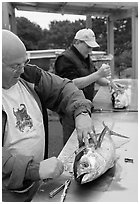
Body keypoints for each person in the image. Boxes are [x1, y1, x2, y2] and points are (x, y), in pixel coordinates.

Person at [2, 29, 96, 202]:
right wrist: (34, 169)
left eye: (25, 62)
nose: (22, 70)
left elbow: (63, 89)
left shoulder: (29, 75)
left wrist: (82, 112)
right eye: (15, 66)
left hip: (36, 182)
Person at [55, 28, 114, 143]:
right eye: (88, 47)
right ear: (77, 42)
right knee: (73, 143)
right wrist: (98, 74)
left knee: (87, 141)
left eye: (92, 47)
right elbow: (71, 84)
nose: (90, 51)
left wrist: (109, 83)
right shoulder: (65, 59)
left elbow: (95, 77)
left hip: (85, 106)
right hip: (71, 109)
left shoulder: (85, 57)